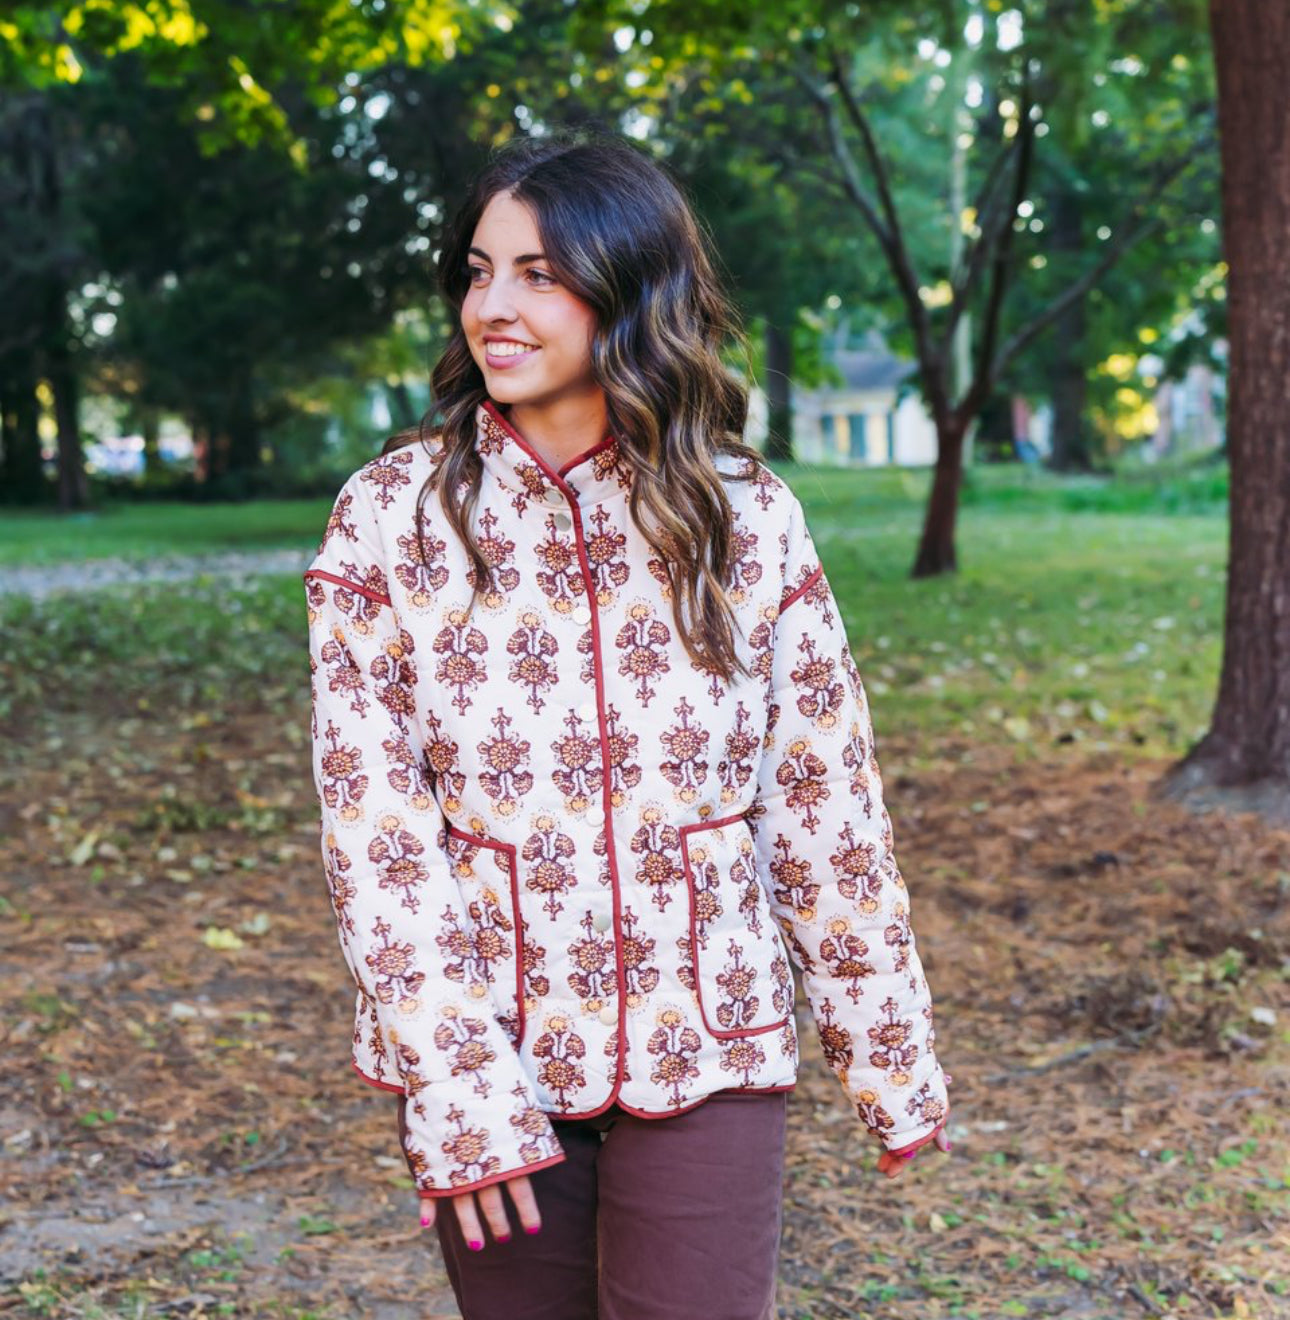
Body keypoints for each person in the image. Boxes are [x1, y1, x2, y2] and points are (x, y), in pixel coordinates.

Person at [303, 130, 952, 1320]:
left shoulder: (745, 521)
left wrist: (888, 1055)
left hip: (711, 1041)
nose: (492, 305)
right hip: (492, 1050)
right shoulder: (386, 523)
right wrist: (457, 1085)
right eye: (478, 269)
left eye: (539, 274)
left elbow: (822, 805)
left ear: (632, 289)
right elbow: (376, 831)